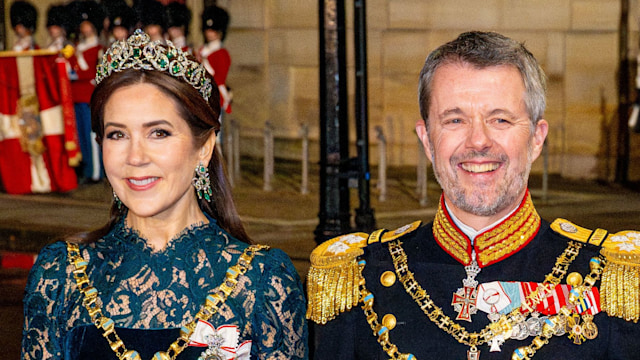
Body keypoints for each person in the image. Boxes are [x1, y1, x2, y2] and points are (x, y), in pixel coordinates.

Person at [307, 31, 640, 359]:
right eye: (455, 120)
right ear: (426, 140)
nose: (478, 142)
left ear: (537, 139)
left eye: (500, 119)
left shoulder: (611, 278)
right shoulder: (360, 276)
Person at [22, 29, 308, 360]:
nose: (135, 157)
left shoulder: (261, 281)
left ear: (204, 147)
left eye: (159, 133)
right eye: (117, 134)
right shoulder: (61, 275)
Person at [67, 0, 106, 184]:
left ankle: (96, 171)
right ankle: (87, 168)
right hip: (77, 96)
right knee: (81, 136)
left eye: (88, 25)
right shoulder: (79, 47)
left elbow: (89, 72)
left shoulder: (98, 48)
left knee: (91, 136)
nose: (85, 28)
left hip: (89, 96)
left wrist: (79, 57)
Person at [198, 5, 232, 115]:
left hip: (216, 94)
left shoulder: (222, 53)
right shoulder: (202, 50)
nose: (209, 34)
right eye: (208, 30)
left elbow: (219, 77)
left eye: (213, 31)